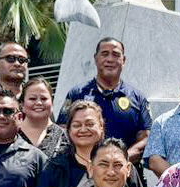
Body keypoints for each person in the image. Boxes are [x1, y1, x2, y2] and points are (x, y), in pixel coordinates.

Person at [57, 37, 152, 165]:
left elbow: (146, 138)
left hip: (125, 175)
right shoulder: (77, 93)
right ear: (96, 59)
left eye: (116, 55)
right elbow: (62, 131)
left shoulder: (138, 98)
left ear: (123, 60)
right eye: (104, 54)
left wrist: (121, 160)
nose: (110, 59)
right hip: (80, 173)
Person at [18, 77, 69, 159]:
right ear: (22, 105)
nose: (38, 103)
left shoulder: (66, 138)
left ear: (52, 103)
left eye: (44, 98)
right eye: (32, 99)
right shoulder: (10, 136)